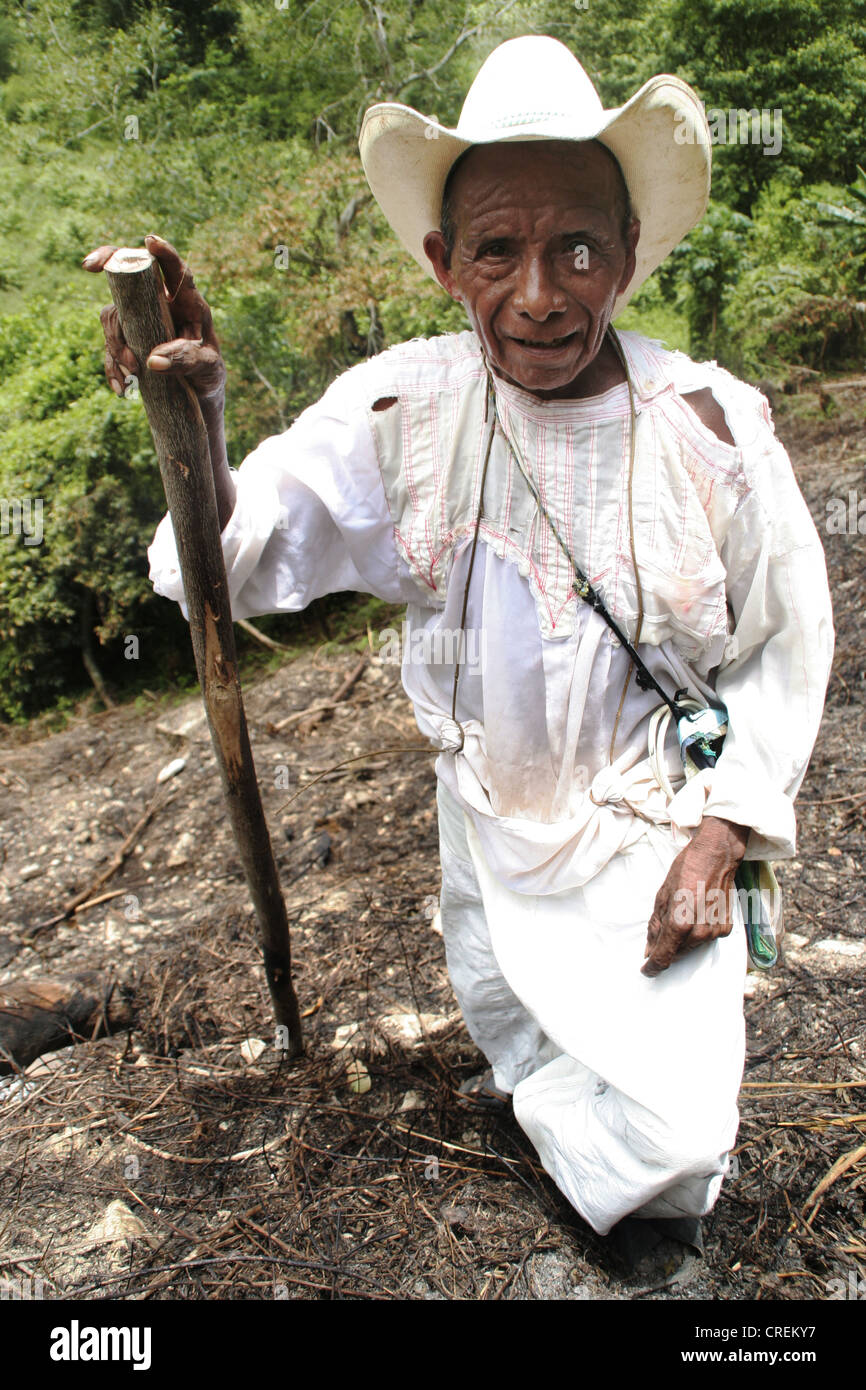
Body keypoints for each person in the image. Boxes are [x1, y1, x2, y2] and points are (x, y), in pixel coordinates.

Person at [86, 36, 834, 1260]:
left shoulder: (711, 427)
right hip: (483, 824)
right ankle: (545, 1115)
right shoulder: (406, 406)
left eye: (576, 248)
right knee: (514, 1028)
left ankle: (603, 1161)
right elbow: (223, 560)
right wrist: (199, 418)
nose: (539, 292)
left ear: (628, 255)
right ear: (444, 264)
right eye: (497, 249)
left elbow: (787, 640)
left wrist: (719, 839)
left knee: (681, 1140)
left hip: (648, 818)